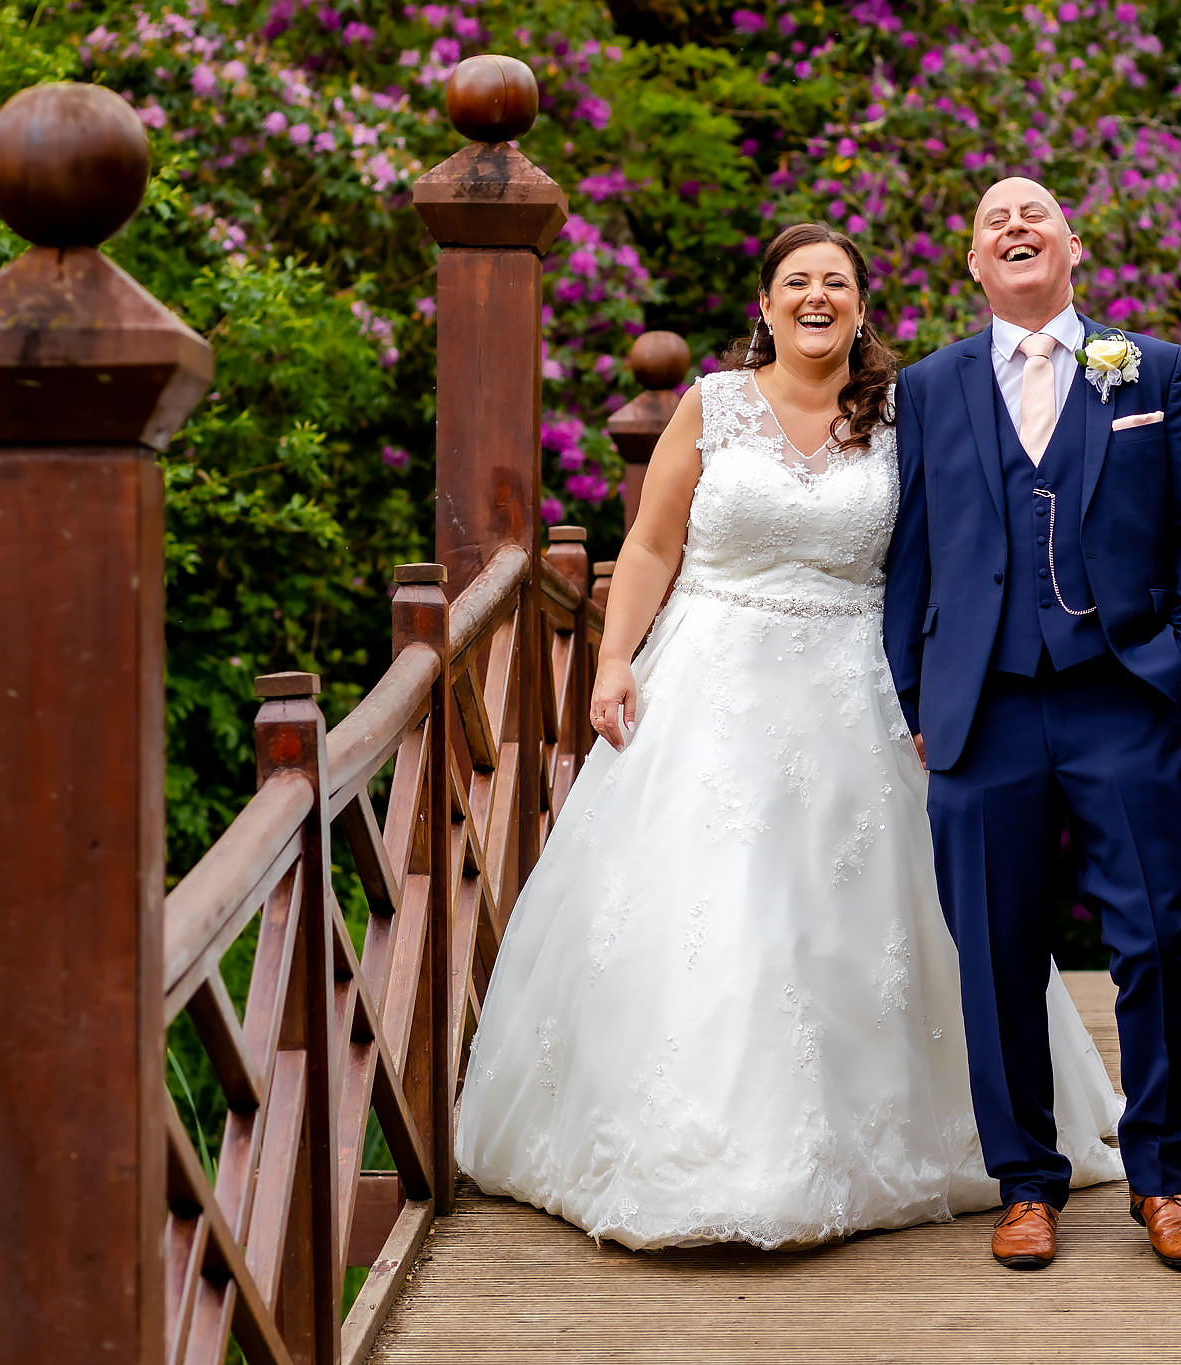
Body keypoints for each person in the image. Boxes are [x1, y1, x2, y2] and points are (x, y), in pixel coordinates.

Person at [454, 222, 1125, 1251]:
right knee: (719, 907)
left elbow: (961, 548)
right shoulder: (712, 406)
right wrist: (612, 659)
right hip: (711, 679)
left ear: (862, 310)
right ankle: (699, 1151)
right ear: (764, 305)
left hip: (859, 686)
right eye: (796, 282)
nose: (817, 297)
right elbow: (650, 543)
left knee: (867, 915)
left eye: (838, 284)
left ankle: (948, 1135)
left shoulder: (906, 413)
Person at [883, 179, 1181, 1271]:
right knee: (992, 953)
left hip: (1117, 693)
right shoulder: (928, 386)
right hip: (978, 706)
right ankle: (1024, 1184)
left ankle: (1162, 1181)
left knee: (1154, 933)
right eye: (993, 220)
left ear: (1071, 247)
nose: (1015, 226)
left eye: (1034, 213)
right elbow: (909, 549)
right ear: (973, 264)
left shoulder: (1149, 368)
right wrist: (912, 697)